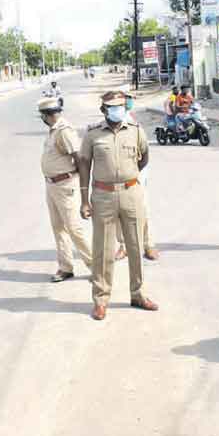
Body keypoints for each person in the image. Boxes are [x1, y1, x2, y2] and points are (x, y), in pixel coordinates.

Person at [78, 91, 158, 321]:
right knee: (103, 250)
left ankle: (138, 293)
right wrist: (84, 199)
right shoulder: (93, 134)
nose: (118, 110)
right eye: (112, 107)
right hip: (103, 194)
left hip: (131, 192)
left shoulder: (135, 131)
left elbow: (144, 158)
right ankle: (101, 300)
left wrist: (128, 178)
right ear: (103, 110)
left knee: (135, 245)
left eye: (121, 106)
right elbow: (84, 164)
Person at [38, 97, 93, 282]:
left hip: (64, 185)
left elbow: (79, 159)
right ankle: (65, 266)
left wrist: (80, 185)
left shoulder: (63, 131)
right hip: (52, 185)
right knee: (58, 227)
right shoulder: (53, 131)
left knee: (74, 228)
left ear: (46, 116)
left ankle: (96, 266)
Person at [116, 92, 159, 261]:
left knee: (143, 209)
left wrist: (137, 172)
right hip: (118, 177)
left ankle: (148, 245)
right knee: (119, 213)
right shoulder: (108, 124)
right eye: (125, 98)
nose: (128, 101)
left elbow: (144, 152)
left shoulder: (134, 123)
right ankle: (123, 246)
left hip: (137, 174)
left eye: (129, 98)